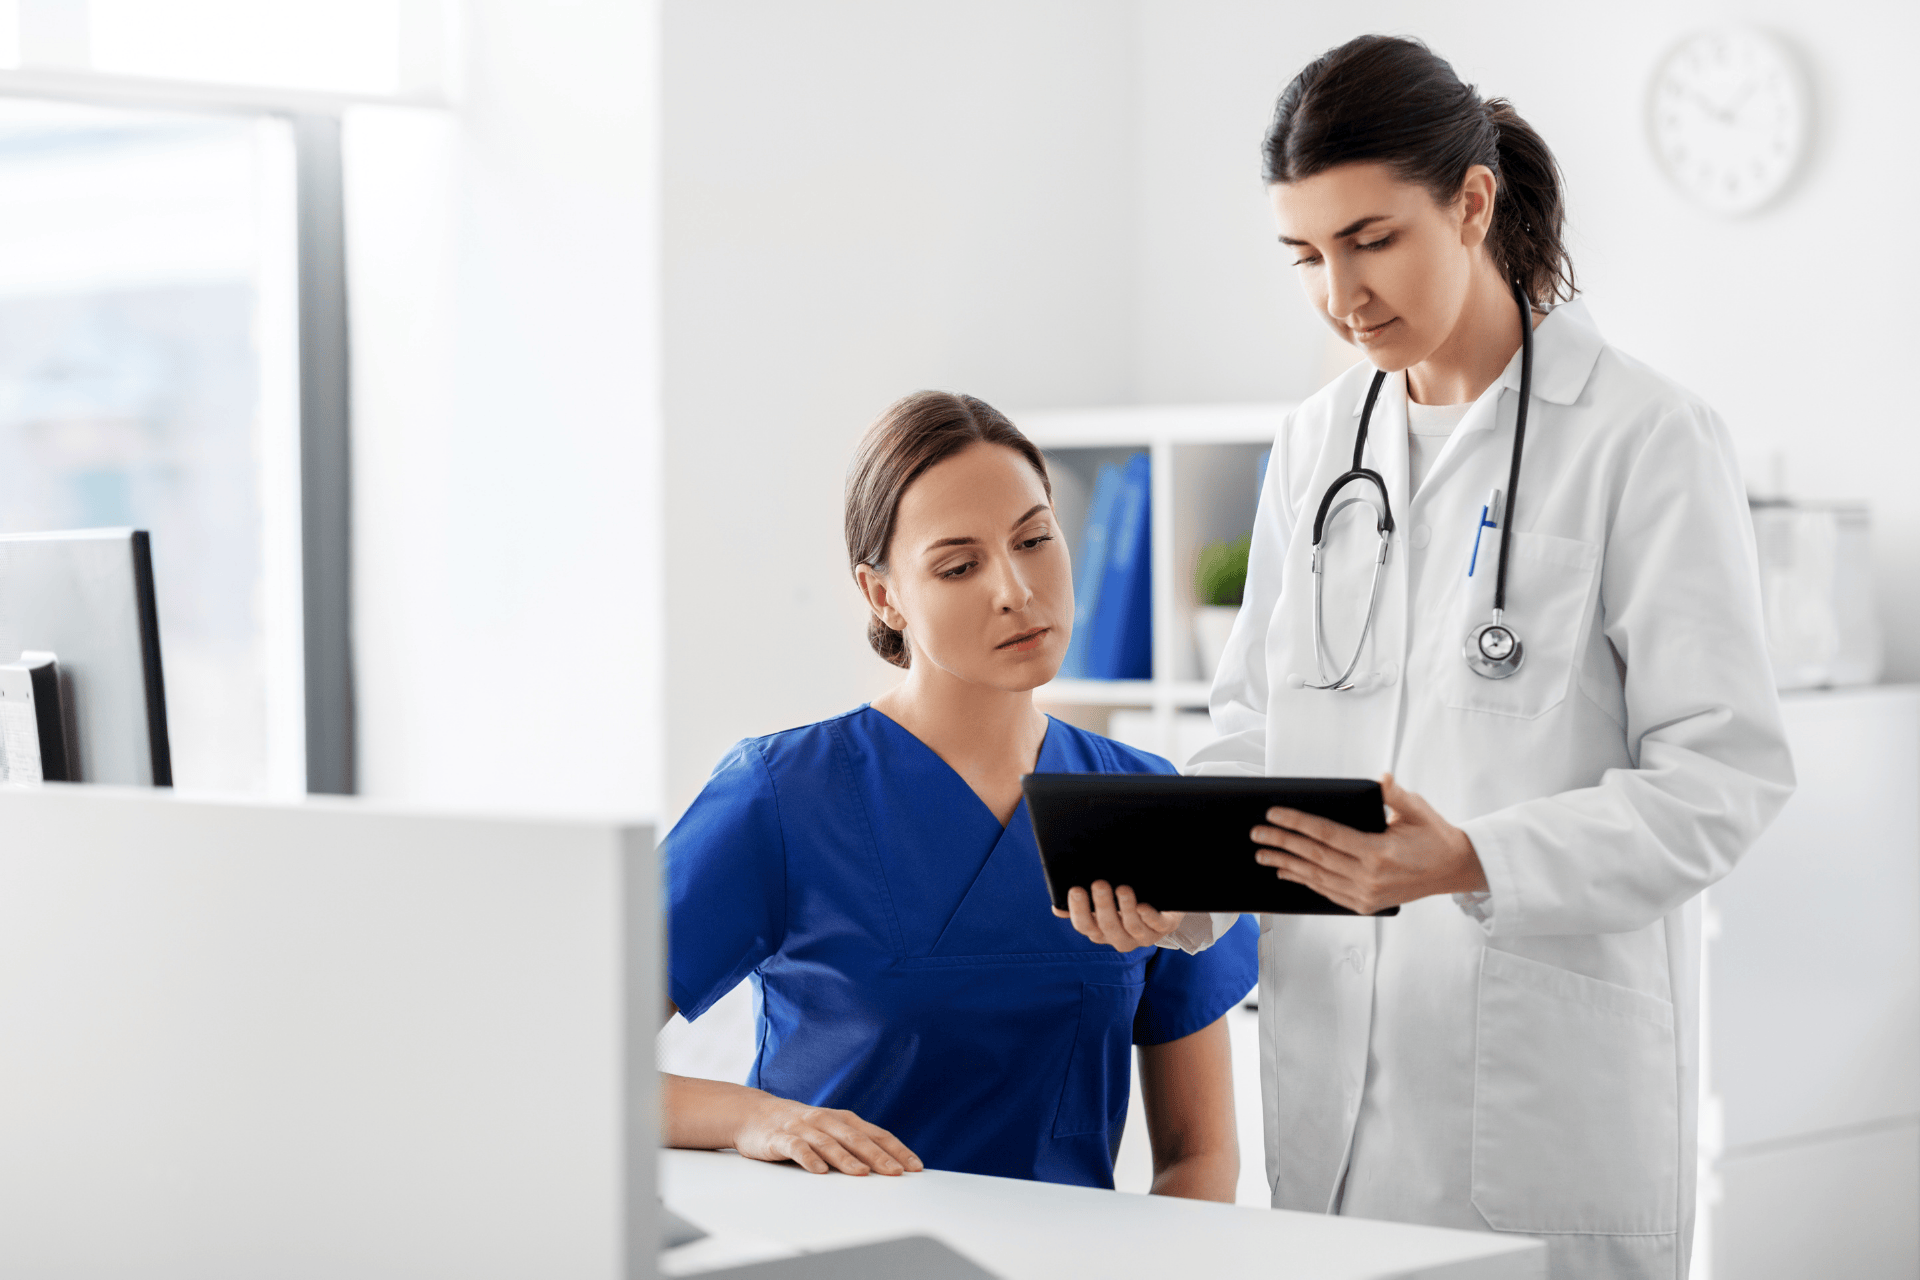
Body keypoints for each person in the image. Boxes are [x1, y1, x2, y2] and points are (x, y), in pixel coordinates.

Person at [1059, 36, 1792, 1278]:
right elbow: (1254, 722)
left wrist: (1471, 857)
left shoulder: (1644, 438)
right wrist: (1183, 887)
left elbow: (1724, 777)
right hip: (1330, 1092)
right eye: (1305, 254)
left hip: (1545, 1113)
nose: (1341, 293)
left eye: (1371, 238)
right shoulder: (1315, 443)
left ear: (1472, 201)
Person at [660, 390, 1259, 1195]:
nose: (1014, 589)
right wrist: (753, 1116)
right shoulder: (781, 797)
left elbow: (1201, 1156)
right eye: (958, 565)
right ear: (884, 596)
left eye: (1035, 539)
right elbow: (573, 1066)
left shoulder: (1150, 803)